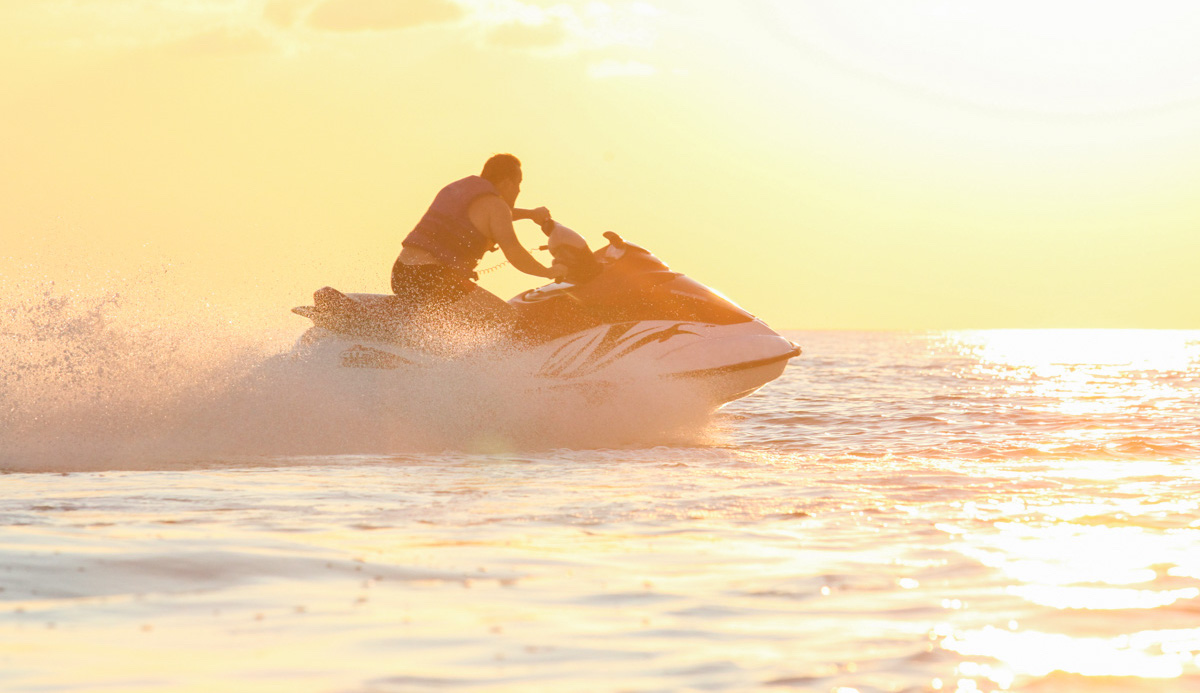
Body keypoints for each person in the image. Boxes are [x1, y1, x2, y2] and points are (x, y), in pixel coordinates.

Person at [391, 154, 564, 328]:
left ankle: (428, 338)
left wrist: (530, 214)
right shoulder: (496, 206)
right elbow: (514, 253)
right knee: (508, 319)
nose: (519, 190)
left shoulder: (459, 190)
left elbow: (492, 216)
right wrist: (549, 272)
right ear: (506, 183)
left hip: (402, 275)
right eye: (518, 183)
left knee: (469, 313)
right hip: (431, 279)